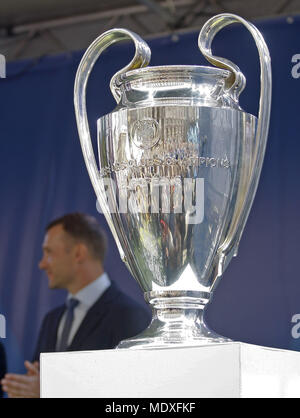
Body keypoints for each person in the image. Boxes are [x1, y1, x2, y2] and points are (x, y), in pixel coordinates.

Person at [1, 213, 151, 398]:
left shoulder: (129, 316)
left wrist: (51, 392)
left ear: (79, 253)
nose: (41, 264)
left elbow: (132, 395)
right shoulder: (52, 320)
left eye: (49, 252)